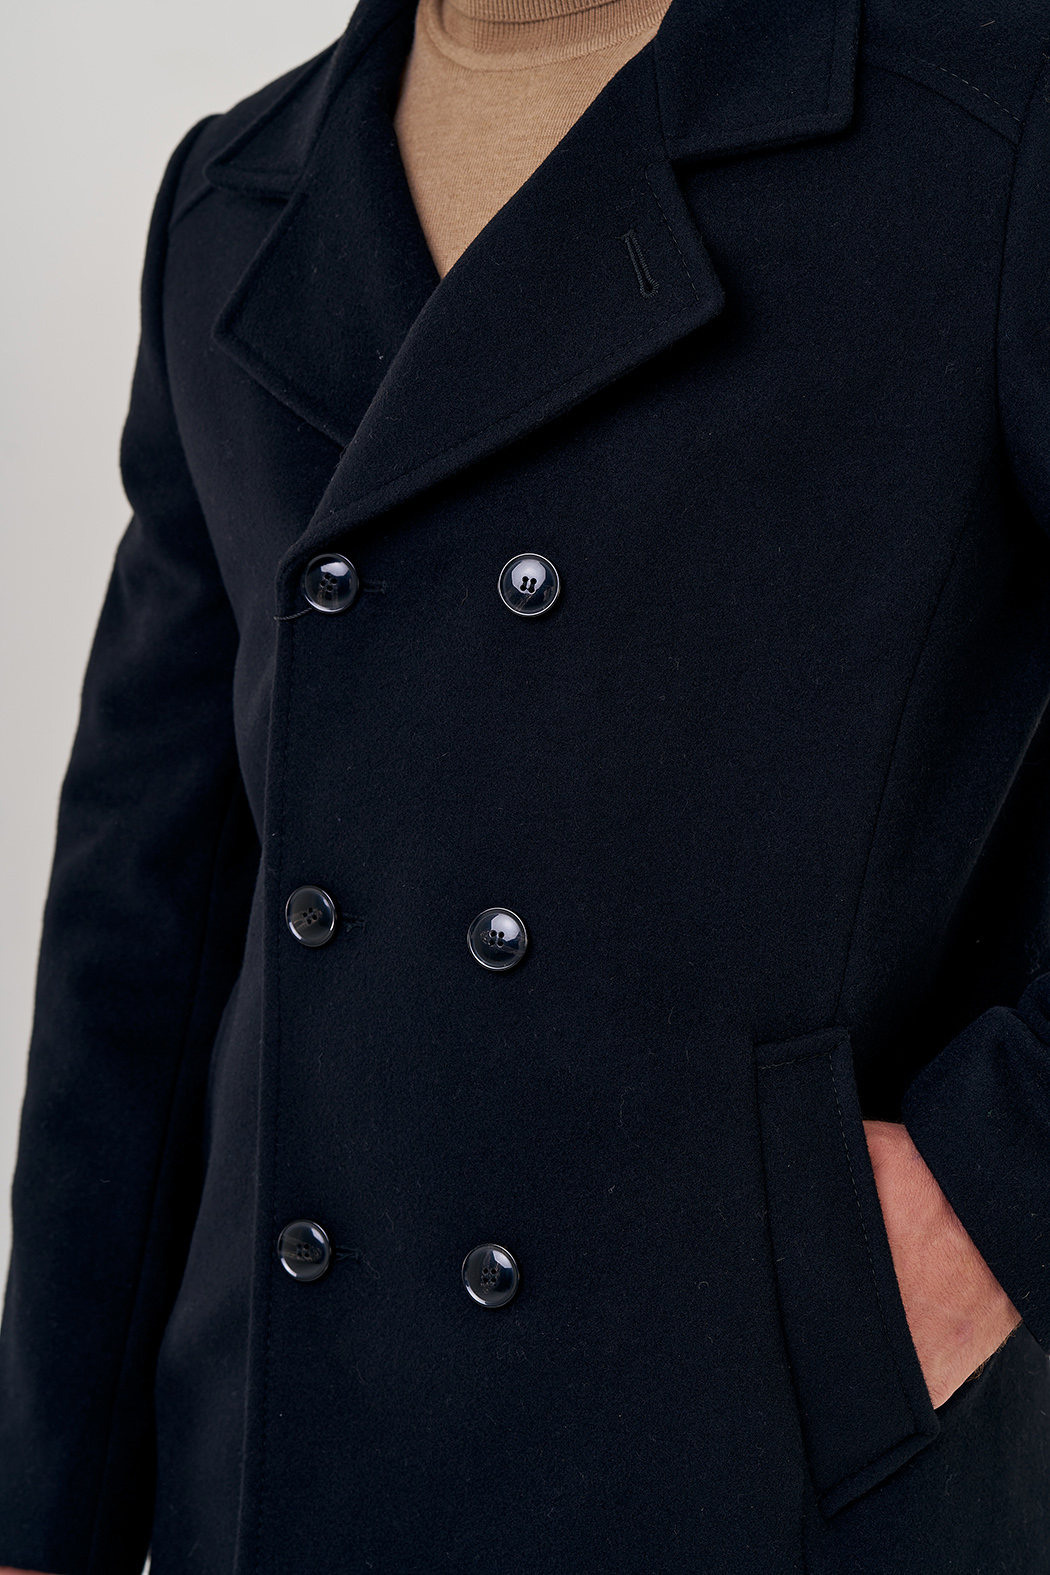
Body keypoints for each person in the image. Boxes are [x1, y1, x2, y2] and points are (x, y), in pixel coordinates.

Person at [1, 0, 1049, 1566]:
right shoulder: (234, 195)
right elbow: (141, 913)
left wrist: (996, 1186)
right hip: (272, 1450)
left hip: (748, 1448)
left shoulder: (986, 111)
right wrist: (44, 1502)